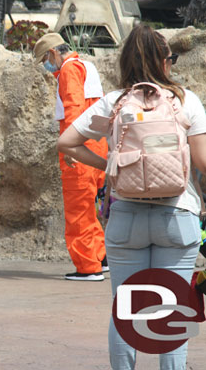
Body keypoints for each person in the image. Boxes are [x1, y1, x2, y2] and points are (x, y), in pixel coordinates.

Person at [57, 24, 206, 369]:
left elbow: (66, 142)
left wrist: (110, 165)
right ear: (165, 62)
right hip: (177, 217)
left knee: (126, 310)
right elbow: (201, 163)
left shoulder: (114, 102)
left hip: (126, 219)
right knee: (171, 312)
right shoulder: (186, 100)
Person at [33, 32, 108, 281]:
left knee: (78, 211)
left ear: (53, 52)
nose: (46, 66)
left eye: (45, 59)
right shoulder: (86, 66)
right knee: (92, 208)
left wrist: (69, 148)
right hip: (97, 148)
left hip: (81, 150)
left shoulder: (67, 70)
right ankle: (100, 258)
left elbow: (74, 108)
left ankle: (88, 268)